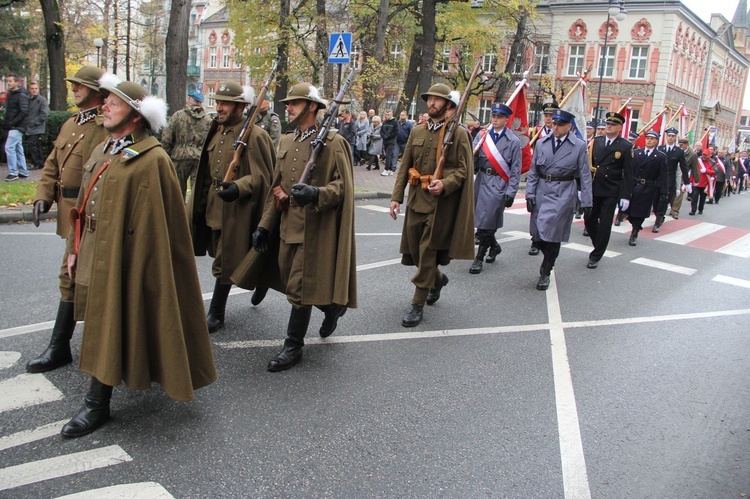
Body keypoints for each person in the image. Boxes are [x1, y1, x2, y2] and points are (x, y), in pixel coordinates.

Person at [61, 78, 217, 437]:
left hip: (126, 259)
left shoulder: (152, 159)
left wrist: (141, 268)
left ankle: (95, 404)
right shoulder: (104, 148)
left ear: (134, 113)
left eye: (113, 103)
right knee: (101, 322)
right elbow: (83, 207)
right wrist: (74, 249)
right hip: (95, 252)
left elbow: (159, 230)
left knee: (111, 323)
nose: (104, 107)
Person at [251, 82, 357, 372]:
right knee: (289, 280)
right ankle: (331, 307)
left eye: (295, 102)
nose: (288, 107)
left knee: (298, 287)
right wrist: (264, 225)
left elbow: (342, 188)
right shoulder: (286, 141)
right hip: (288, 227)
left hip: (315, 229)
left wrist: (316, 194)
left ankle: (293, 346)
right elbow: (276, 187)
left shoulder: (334, 143)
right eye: (287, 103)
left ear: (312, 106)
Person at [26, 67, 110, 374]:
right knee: (73, 277)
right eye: (73, 84)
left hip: (88, 215)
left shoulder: (103, 127)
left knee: (72, 276)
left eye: (80, 86)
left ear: (97, 93)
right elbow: (52, 164)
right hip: (69, 212)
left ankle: (61, 347)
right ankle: (65, 346)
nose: (74, 89)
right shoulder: (72, 124)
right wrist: (43, 194)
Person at [189, 81, 276, 333]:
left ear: (240, 107)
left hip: (239, 207)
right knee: (224, 253)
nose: (220, 108)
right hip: (214, 204)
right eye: (217, 102)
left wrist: (239, 187)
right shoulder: (217, 131)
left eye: (225, 103)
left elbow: (263, 177)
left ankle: (216, 312)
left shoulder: (255, 136)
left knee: (225, 258)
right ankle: (260, 277)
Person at [389, 83, 474, 327]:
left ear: (448, 105)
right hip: (417, 201)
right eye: (430, 99)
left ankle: (417, 303)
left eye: (437, 100)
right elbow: (405, 166)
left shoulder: (458, 134)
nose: (432, 103)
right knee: (415, 252)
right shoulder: (418, 131)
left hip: (440, 206)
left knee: (427, 253)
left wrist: (445, 183)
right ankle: (437, 279)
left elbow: (463, 170)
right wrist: (397, 197)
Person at [526, 109, 592, 290]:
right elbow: (533, 171)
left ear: (569, 126)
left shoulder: (578, 145)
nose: (555, 127)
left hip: (563, 192)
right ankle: (547, 258)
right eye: (554, 123)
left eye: (560, 124)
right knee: (537, 233)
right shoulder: (541, 143)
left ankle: (546, 270)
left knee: (553, 234)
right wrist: (529, 194)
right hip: (542, 189)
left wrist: (586, 201)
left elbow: (585, 175)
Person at [470, 102, 521, 274]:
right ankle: (495, 246)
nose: (496, 119)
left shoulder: (513, 141)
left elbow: (515, 170)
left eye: (499, 117)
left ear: (507, 119)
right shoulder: (483, 136)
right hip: (482, 180)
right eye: (493, 116)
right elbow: (473, 160)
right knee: (481, 220)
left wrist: (511, 192)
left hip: (499, 183)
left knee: (487, 222)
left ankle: (479, 258)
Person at [583, 111, 633, 269]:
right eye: (607, 124)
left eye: (612, 124)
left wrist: (626, 196)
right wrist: (581, 187)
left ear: (619, 127)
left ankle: (596, 255)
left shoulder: (625, 146)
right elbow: (587, 167)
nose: (609, 126)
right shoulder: (596, 142)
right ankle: (599, 243)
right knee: (589, 219)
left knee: (605, 223)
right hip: (594, 187)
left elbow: (628, 173)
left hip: (611, 190)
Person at [160, 89, 212, 199]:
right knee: (196, 192)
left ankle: (178, 214)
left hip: (179, 158)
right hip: (199, 158)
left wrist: (166, 156)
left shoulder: (178, 116)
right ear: (200, 102)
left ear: (189, 99)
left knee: (176, 192)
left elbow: (166, 138)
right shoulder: (208, 120)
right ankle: (193, 214)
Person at [626, 130, 668, 246]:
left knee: (640, 213)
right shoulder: (637, 153)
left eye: (652, 139)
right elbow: (629, 170)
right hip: (634, 185)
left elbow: (663, 175)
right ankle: (634, 224)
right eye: (647, 138)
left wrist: (664, 191)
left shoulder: (660, 157)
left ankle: (635, 232)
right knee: (629, 212)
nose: (649, 140)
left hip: (648, 187)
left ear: (656, 141)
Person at [655, 127, 689, 231]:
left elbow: (683, 167)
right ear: (666, 137)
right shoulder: (660, 149)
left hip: (669, 181)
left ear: (675, 138)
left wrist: (687, 183)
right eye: (669, 136)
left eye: (672, 136)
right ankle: (658, 214)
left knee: (664, 201)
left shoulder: (679, 151)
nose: (670, 138)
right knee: (655, 202)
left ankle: (658, 220)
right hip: (657, 179)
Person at [3, 74, 30, 181]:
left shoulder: (21, 95)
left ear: (17, 83)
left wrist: (13, 123)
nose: (8, 83)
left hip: (17, 126)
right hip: (14, 126)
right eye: (7, 81)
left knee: (9, 147)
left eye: (10, 81)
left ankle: (13, 172)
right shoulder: (12, 94)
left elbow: (24, 111)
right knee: (18, 148)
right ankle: (23, 171)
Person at [25, 82, 49, 170]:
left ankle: (36, 163)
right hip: (31, 127)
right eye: (32, 88)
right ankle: (40, 162)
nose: (34, 90)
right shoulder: (28, 99)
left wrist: (34, 122)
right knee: (36, 145)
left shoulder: (42, 100)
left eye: (36, 88)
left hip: (37, 127)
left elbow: (44, 114)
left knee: (33, 145)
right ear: (29, 90)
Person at [673, 137, 697, 218]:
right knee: (671, 193)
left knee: (679, 195)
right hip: (674, 174)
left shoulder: (692, 154)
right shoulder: (675, 151)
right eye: (679, 144)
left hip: (683, 177)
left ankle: (675, 211)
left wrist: (696, 180)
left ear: (687, 144)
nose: (680, 146)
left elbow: (694, 167)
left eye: (682, 145)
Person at [690, 147, 715, 215]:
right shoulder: (698, 161)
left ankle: (700, 209)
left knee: (702, 198)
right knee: (694, 197)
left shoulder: (712, 162)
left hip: (705, 183)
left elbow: (715, 171)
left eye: (706, 155)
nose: (704, 156)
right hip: (697, 182)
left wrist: (706, 171)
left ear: (709, 155)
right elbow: (693, 169)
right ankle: (693, 210)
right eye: (703, 154)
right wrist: (691, 179)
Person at [380, 109, 399, 176]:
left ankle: (386, 169)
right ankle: (390, 169)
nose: (387, 116)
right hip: (385, 141)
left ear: (391, 115)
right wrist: (383, 136)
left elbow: (395, 132)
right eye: (386, 114)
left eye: (388, 114)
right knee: (388, 155)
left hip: (391, 141)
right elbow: (381, 130)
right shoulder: (384, 122)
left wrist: (388, 136)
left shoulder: (394, 122)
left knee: (388, 155)